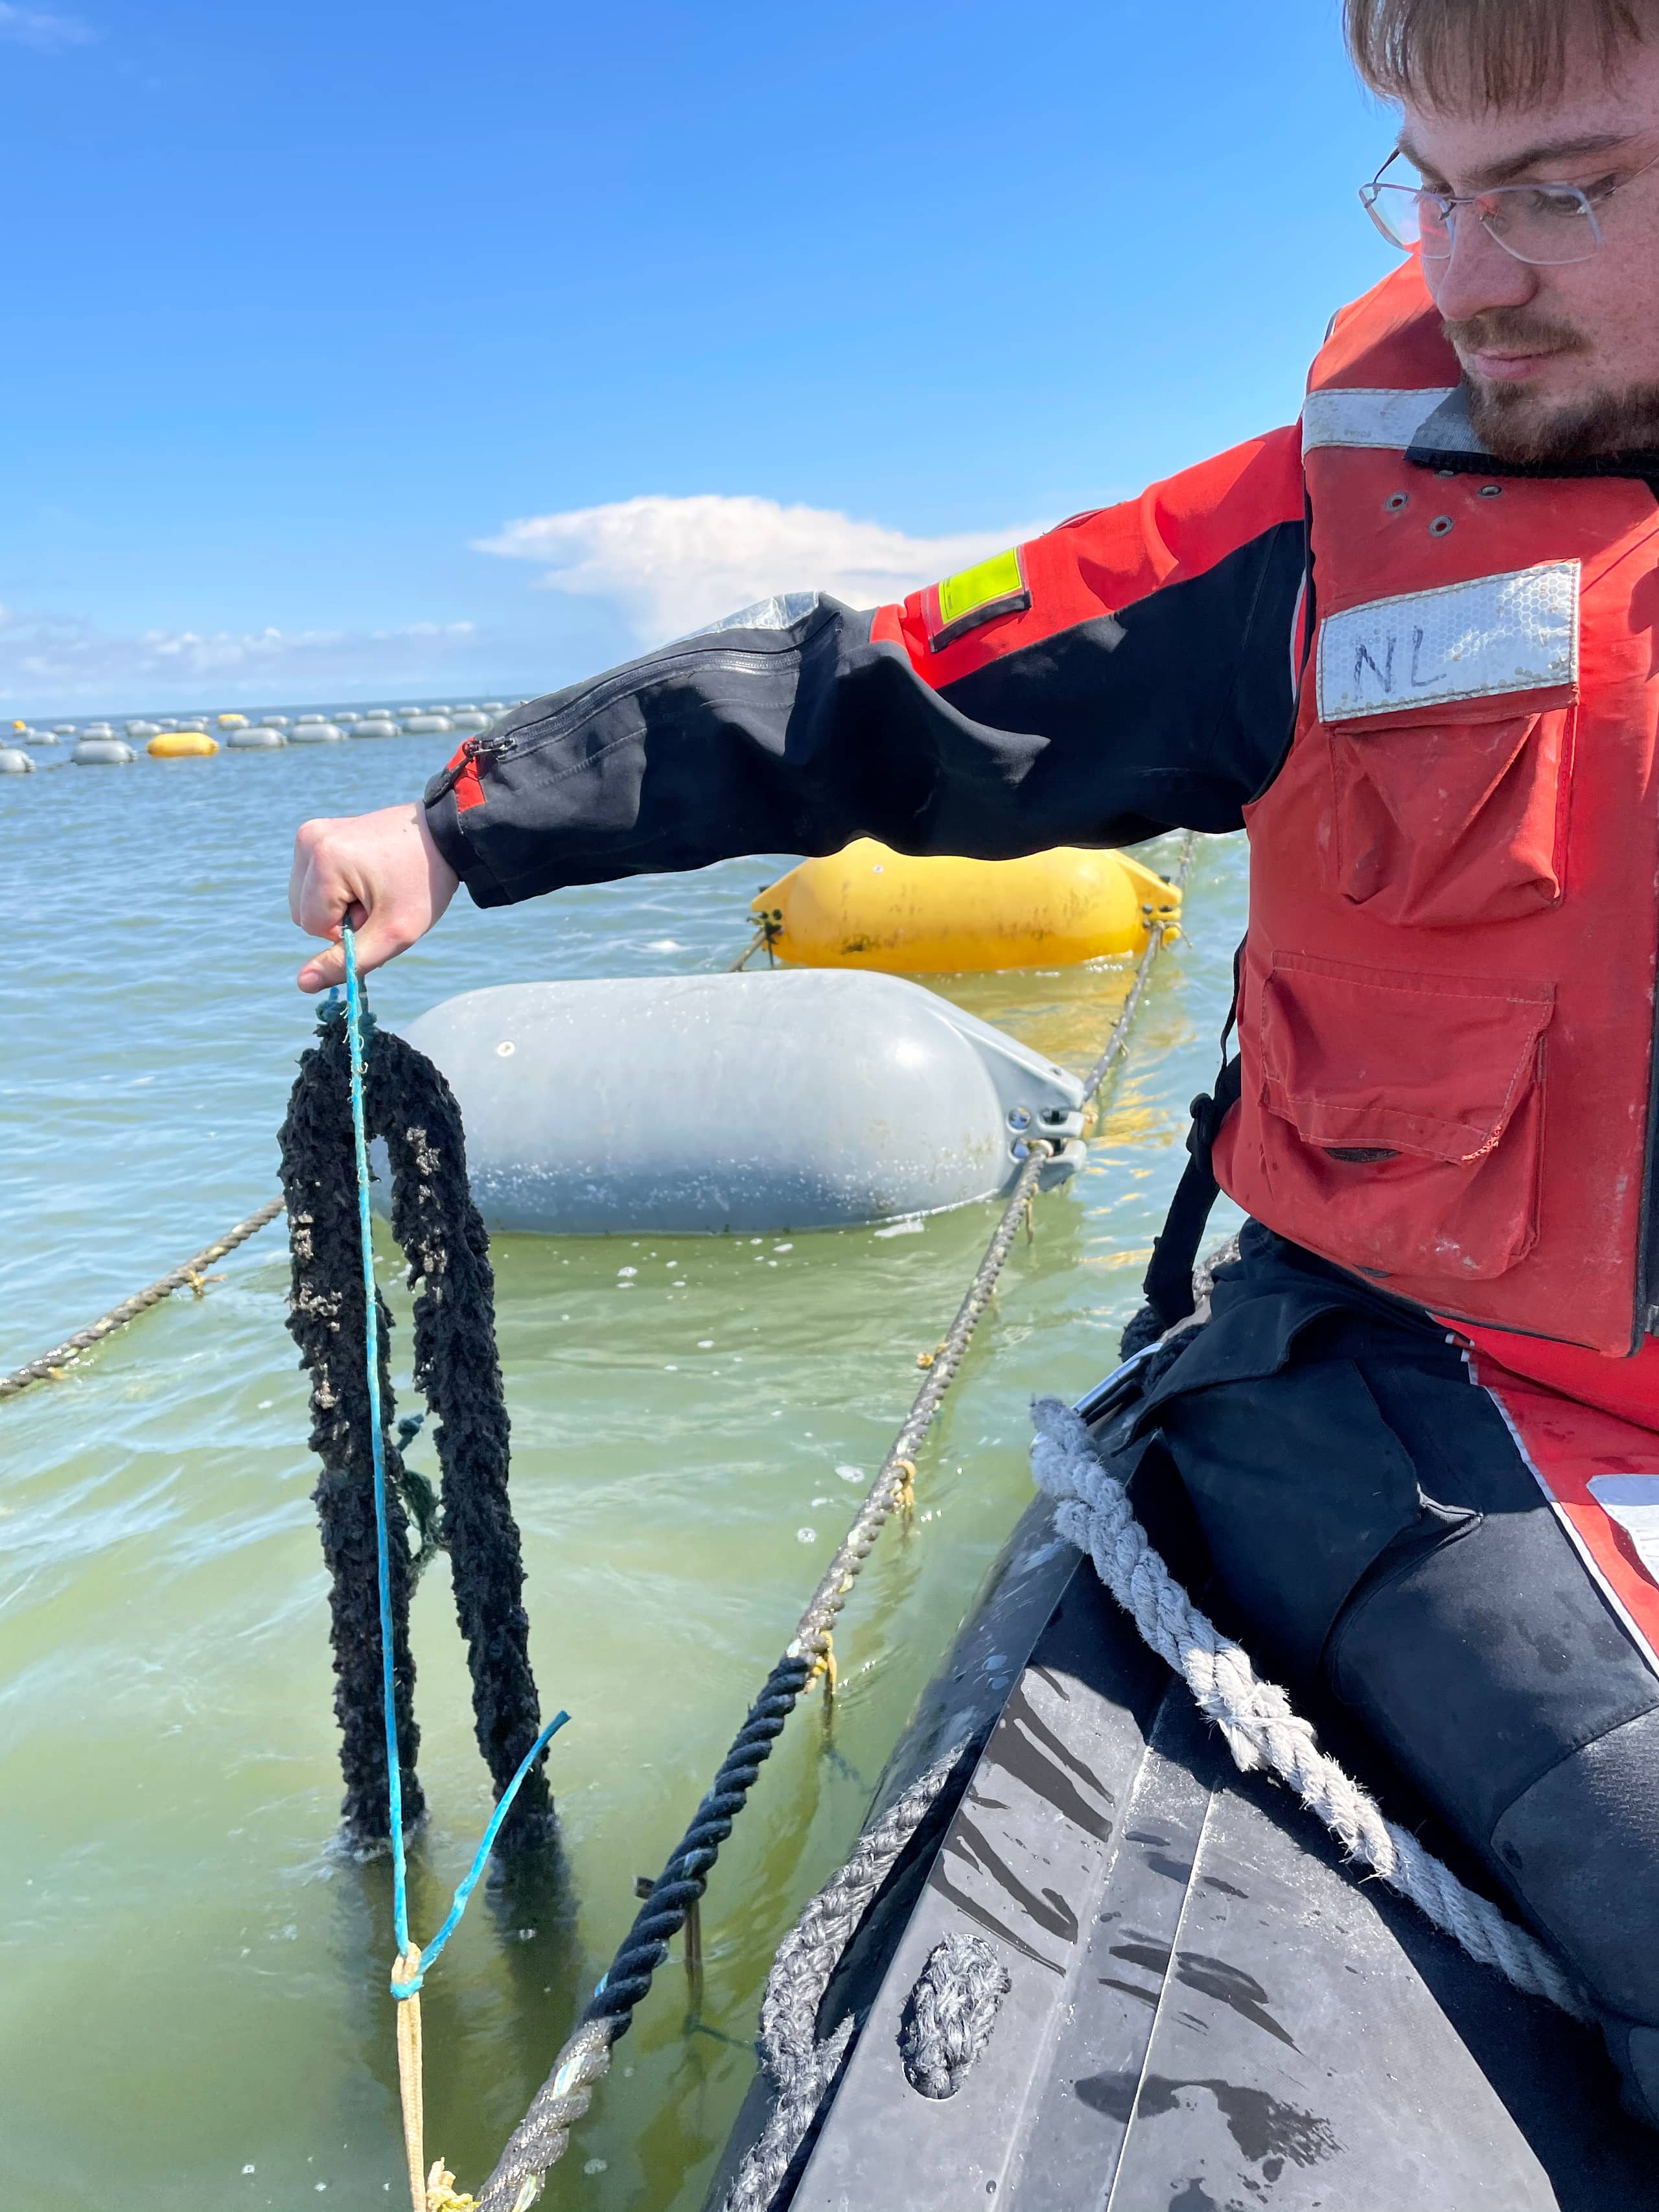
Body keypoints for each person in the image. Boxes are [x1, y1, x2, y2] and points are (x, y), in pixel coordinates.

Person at [291, 0, 1659, 2123]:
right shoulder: (1318, 535)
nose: (1471, 276)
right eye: (1436, 191)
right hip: (1419, 1376)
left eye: (1563, 191)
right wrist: (465, 825)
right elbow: (886, 694)